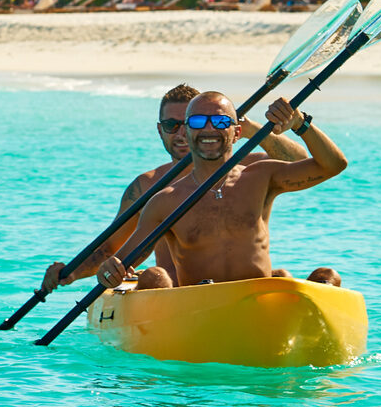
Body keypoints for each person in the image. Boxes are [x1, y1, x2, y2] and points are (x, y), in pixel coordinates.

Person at [40, 83, 308, 292]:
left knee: (286, 276)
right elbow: (112, 249)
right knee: (155, 276)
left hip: (246, 290)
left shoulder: (248, 167)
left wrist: (250, 129)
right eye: (172, 125)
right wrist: (71, 273)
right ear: (160, 130)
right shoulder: (148, 186)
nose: (180, 132)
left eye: (192, 122)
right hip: (176, 297)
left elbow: (303, 163)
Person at [97, 91, 347, 290]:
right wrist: (108, 272)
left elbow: (334, 165)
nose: (209, 129)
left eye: (220, 121)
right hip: (199, 307)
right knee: (154, 276)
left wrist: (300, 123)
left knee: (327, 276)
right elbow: (121, 262)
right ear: (186, 130)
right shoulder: (164, 201)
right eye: (197, 121)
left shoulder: (262, 176)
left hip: (258, 301)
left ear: (237, 131)